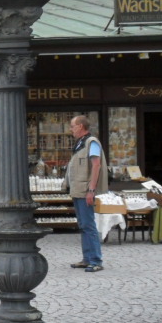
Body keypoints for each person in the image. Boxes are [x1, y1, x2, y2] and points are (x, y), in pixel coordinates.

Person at [66, 114, 108, 273]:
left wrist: (91, 190)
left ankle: (96, 260)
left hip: (85, 190)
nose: (71, 129)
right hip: (78, 189)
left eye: (72, 126)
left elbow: (96, 165)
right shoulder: (80, 144)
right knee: (83, 225)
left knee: (89, 225)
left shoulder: (92, 142)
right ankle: (87, 258)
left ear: (81, 127)